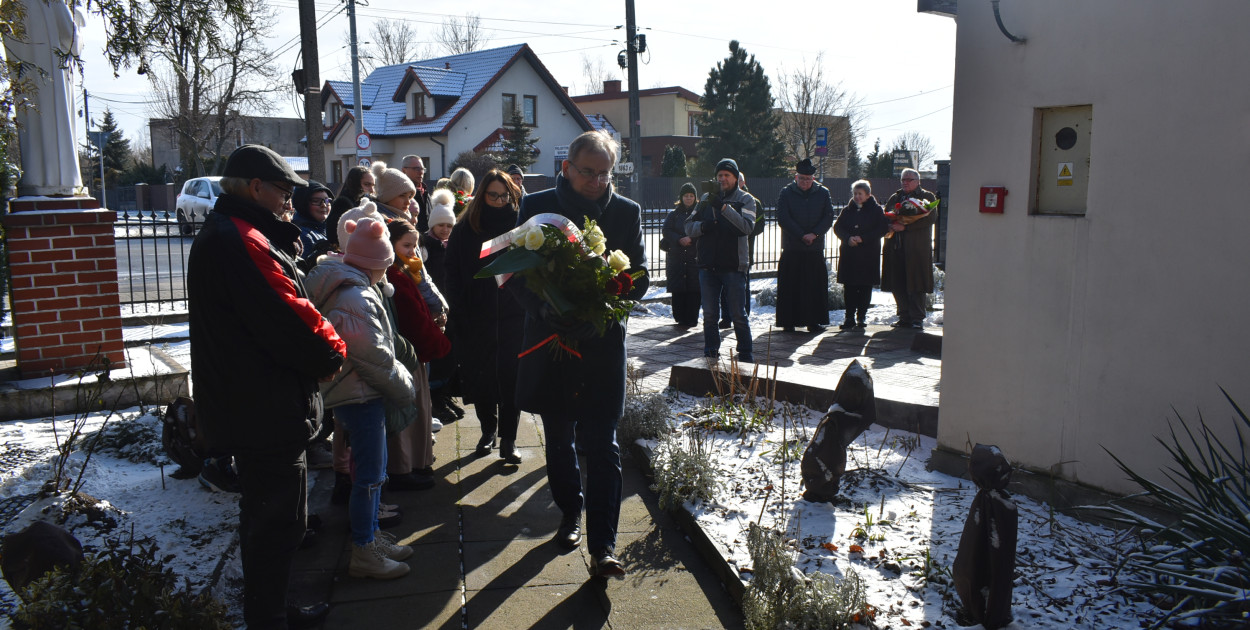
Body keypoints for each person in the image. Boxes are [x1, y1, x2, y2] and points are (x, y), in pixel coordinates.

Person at [187, 144, 346, 628]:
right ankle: (270, 617)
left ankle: (271, 608)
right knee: (276, 522)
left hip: (254, 401)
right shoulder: (241, 238)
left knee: (270, 520)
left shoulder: (235, 232)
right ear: (255, 187)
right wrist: (332, 353)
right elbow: (288, 318)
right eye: (283, 190)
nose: (289, 201)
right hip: (264, 407)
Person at [511, 130, 648, 579]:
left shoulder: (627, 212)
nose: (596, 181)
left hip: (602, 343)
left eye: (604, 173)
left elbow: (640, 277)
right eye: (587, 172)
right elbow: (514, 274)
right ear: (567, 168)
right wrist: (541, 307)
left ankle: (604, 547)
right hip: (552, 341)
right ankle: (570, 513)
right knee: (558, 434)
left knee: (604, 443)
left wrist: (606, 312)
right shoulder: (536, 207)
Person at [305, 217, 417, 580]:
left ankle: (370, 537)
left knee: (372, 473)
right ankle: (364, 549)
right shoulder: (355, 296)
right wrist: (406, 388)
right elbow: (374, 357)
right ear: (376, 265)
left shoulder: (346, 284)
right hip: (360, 394)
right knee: (370, 476)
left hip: (356, 391)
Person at [444, 170, 526, 464]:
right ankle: (487, 430)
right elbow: (451, 270)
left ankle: (509, 439)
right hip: (475, 314)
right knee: (481, 377)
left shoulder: (520, 224)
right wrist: (459, 308)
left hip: (512, 314)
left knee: (510, 377)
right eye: (493, 195)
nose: (500, 201)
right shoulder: (466, 227)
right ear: (482, 196)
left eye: (505, 195)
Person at [384, 219, 452, 491]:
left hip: (415, 354)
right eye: (406, 245)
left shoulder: (409, 269)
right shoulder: (396, 275)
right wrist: (439, 340)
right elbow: (413, 319)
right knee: (409, 414)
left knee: (419, 410)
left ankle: (416, 462)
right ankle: (405, 467)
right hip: (407, 355)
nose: (413, 251)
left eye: (415, 246)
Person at [685, 158, 757, 363]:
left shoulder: (746, 199)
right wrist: (704, 227)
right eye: (719, 176)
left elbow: (746, 227)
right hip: (707, 265)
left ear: (736, 177)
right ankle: (710, 353)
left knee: (738, 314)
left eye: (727, 175)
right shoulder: (707, 198)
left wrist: (724, 208)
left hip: (734, 265)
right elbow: (688, 226)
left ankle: (745, 354)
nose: (723, 179)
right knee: (709, 315)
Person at [774, 158, 836, 333]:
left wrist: (814, 234)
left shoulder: (823, 193)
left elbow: (828, 216)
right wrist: (801, 235)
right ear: (796, 177)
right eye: (802, 178)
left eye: (808, 179)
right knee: (790, 287)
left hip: (814, 248)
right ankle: (788, 321)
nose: (805, 182)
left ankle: (814, 321)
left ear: (813, 179)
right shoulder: (786, 193)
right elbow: (783, 218)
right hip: (793, 247)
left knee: (814, 287)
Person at [420, 189, 465, 422]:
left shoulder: (452, 246)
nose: (445, 230)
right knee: (438, 356)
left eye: (449, 225)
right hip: (434, 309)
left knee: (450, 353)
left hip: (451, 306)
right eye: (441, 225)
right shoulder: (426, 248)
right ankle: (435, 397)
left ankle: (444, 394)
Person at [881, 168, 938, 329]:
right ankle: (904, 316)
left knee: (916, 283)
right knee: (898, 282)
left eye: (909, 179)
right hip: (896, 247)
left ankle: (917, 318)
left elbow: (930, 218)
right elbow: (887, 214)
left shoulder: (927, 197)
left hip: (916, 248)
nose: (905, 182)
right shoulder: (896, 197)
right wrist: (890, 224)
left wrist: (905, 227)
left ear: (917, 181)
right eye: (903, 180)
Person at [833, 180, 889, 331]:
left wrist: (863, 238)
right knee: (849, 287)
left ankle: (861, 316)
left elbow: (882, 229)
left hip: (867, 254)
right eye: (855, 194)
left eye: (860, 194)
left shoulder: (876, 210)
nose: (857, 197)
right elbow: (838, 227)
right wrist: (847, 238)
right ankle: (849, 316)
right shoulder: (847, 210)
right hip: (850, 254)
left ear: (868, 195)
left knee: (865, 287)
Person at [661, 182, 701, 327]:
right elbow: (666, 230)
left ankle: (692, 317)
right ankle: (679, 317)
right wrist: (679, 239)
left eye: (691, 196)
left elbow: (703, 229)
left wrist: (692, 238)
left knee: (694, 289)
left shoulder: (699, 213)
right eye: (686, 196)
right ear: (681, 197)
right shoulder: (674, 214)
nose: (688, 198)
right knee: (678, 289)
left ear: (695, 197)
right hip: (677, 257)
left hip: (693, 256)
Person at [327, 166, 375, 247]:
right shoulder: (342, 204)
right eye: (367, 184)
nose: (372, 190)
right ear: (353, 183)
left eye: (373, 185)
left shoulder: (363, 202)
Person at [291, 181, 334, 261]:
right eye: (316, 201)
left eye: (327, 201)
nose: (324, 205)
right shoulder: (302, 235)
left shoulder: (324, 228)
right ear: (303, 204)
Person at [400, 155, 431, 233]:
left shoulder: (426, 193)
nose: (421, 172)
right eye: (416, 169)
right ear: (404, 171)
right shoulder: (400, 194)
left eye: (422, 169)